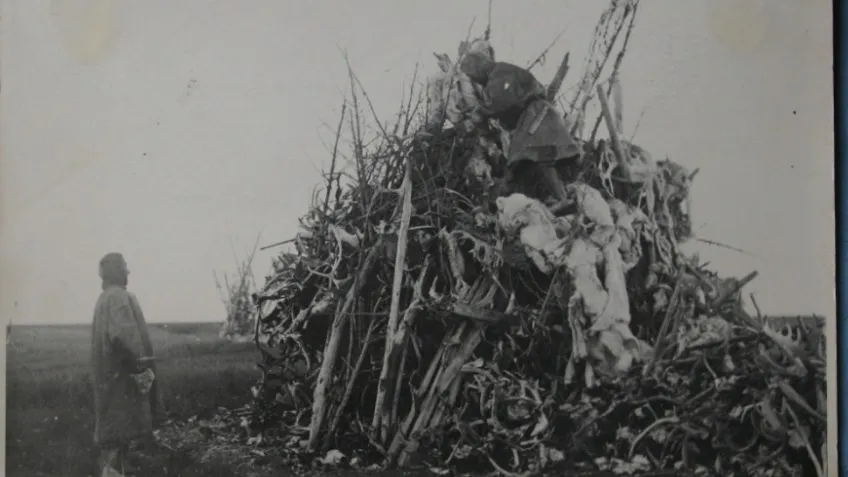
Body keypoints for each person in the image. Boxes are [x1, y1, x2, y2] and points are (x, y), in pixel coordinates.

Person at [458, 45, 582, 212]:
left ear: (478, 67)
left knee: (539, 155)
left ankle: (562, 197)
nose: (474, 79)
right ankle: (500, 206)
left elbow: (501, 103)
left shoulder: (499, 75)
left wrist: (481, 111)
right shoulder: (499, 75)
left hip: (537, 115)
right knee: (517, 165)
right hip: (533, 116)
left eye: (472, 74)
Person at [91, 253, 161, 476]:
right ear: (116, 272)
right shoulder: (119, 297)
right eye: (124, 268)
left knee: (114, 437)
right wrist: (140, 370)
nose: (127, 273)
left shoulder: (103, 299)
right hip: (123, 381)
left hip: (109, 380)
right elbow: (123, 337)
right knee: (122, 436)